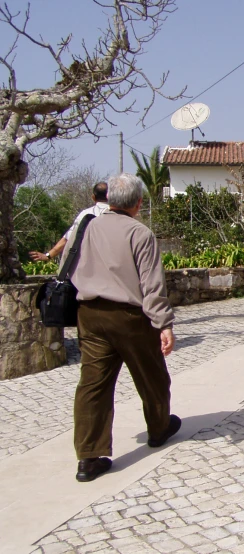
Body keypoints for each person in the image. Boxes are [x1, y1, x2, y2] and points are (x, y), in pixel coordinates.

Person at [68, 173, 179, 482]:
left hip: (89, 313)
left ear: (109, 200)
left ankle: (89, 457)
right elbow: (152, 285)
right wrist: (164, 324)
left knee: (92, 384)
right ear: (138, 203)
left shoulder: (86, 227)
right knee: (151, 374)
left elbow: (68, 264)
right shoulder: (139, 233)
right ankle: (158, 429)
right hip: (129, 317)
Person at [29, 181, 109, 263]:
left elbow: (68, 238)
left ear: (93, 197)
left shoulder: (86, 214)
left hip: (91, 263)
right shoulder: (120, 215)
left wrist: (48, 255)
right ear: (110, 196)